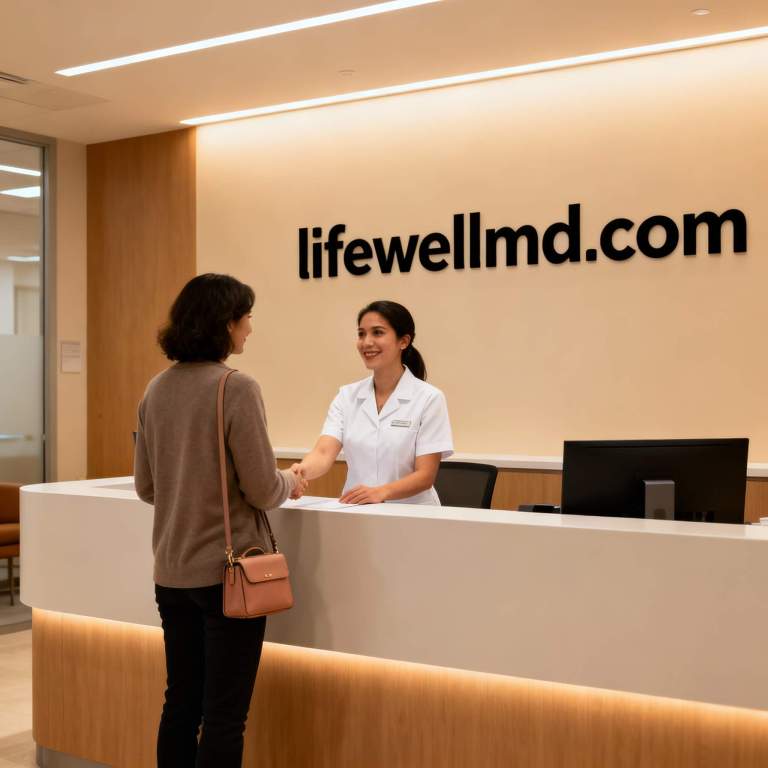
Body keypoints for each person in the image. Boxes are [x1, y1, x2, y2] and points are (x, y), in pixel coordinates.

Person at [133, 273, 306, 768]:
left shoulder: (156, 389)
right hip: (227, 578)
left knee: (180, 704)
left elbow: (147, 488)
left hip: (171, 574)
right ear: (226, 323)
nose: (250, 329)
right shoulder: (237, 388)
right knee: (225, 716)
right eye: (246, 318)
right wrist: (291, 481)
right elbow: (261, 488)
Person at [294, 300, 453, 505]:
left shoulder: (429, 398)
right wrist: (300, 473)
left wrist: (381, 492)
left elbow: (425, 476)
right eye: (361, 334)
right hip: (358, 514)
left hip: (414, 517)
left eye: (377, 332)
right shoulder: (347, 396)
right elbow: (323, 452)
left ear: (403, 341)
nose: (366, 342)